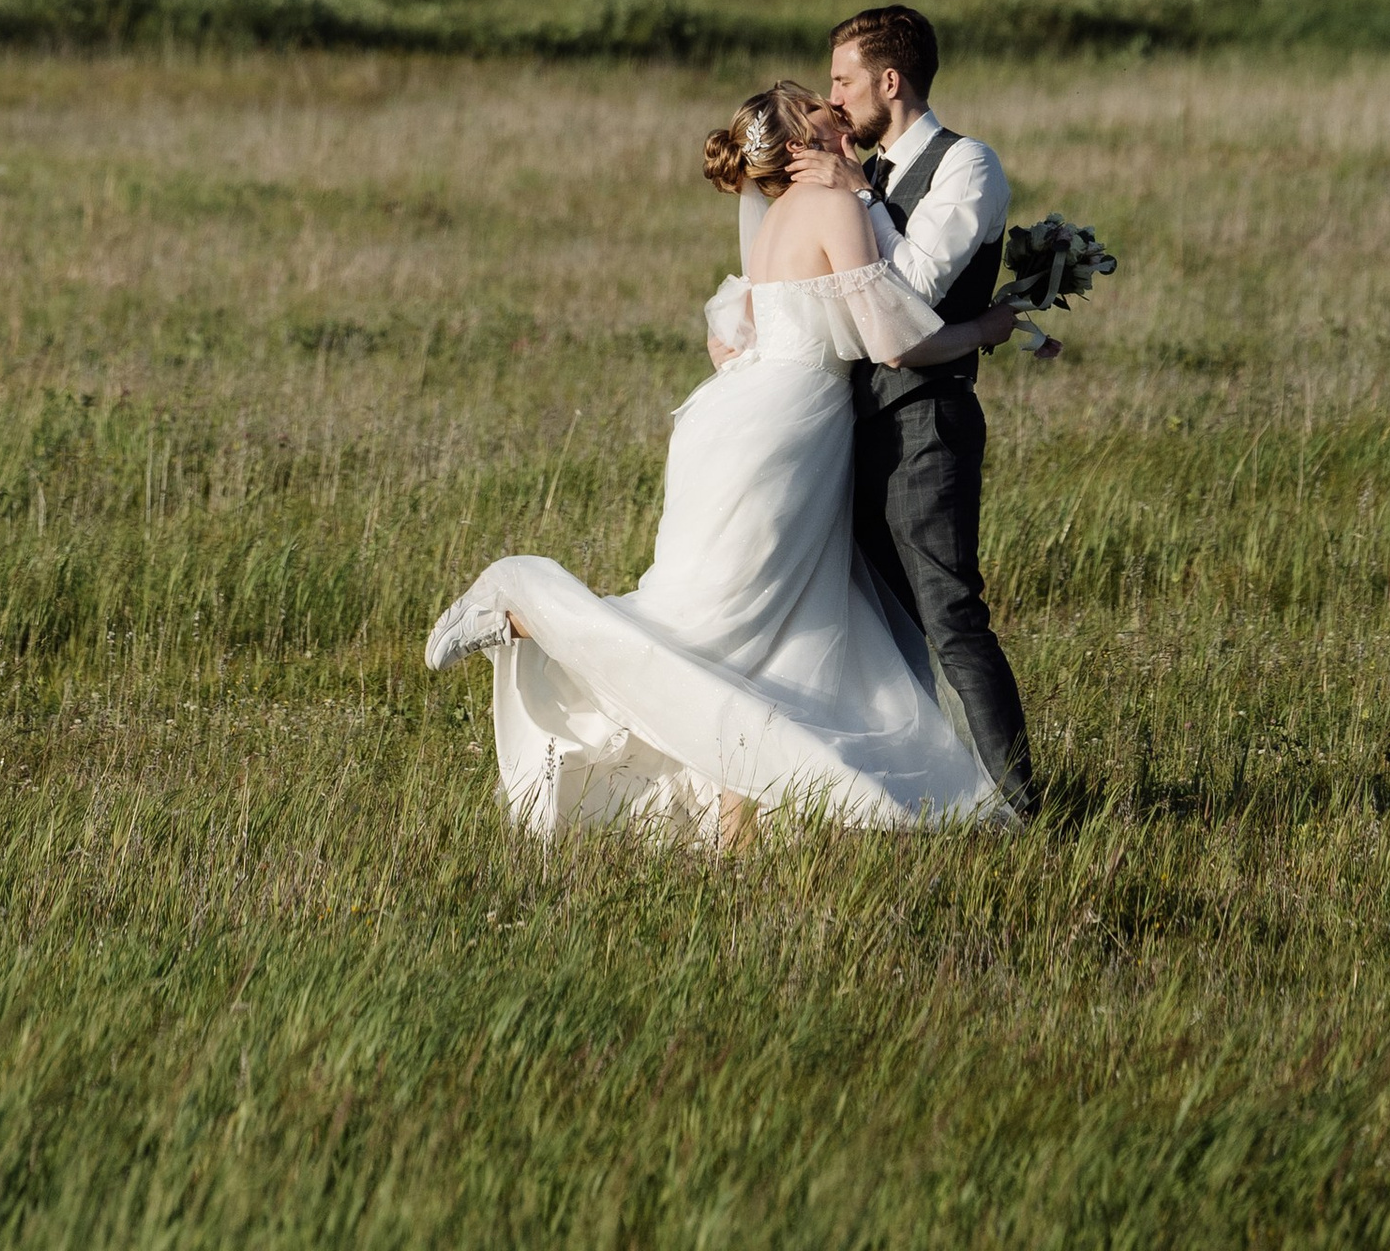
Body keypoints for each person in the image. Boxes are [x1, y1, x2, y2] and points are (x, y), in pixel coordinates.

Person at [424, 80, 1034, 843]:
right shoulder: (832, 206)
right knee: (717, 620)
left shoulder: (779, 213)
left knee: (774, 628)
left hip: (744, 418)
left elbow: (759, 324)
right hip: (786, 430)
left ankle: (736, 822)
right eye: (820, 106)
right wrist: (988, 326)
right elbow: (889, 339)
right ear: (800, 141)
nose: (836, 109)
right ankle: (527, 613)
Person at [792, 4, 1037, 818]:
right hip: (847, 426)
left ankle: (1018, 802)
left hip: (926, 420)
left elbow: (914, 297)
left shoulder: (969, 166)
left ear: (889, 82)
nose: (833, 99)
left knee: (950, 614)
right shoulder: (866, 173)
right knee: (879, 623)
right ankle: (929, 795)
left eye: (843, 80)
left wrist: (858, 196)